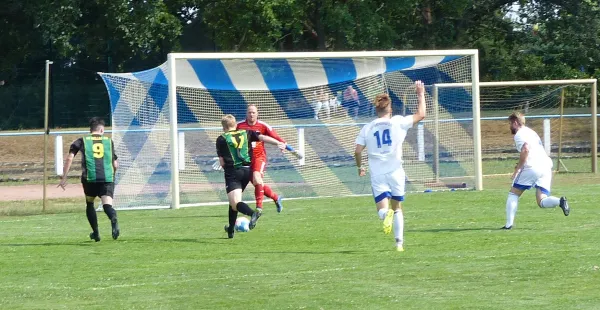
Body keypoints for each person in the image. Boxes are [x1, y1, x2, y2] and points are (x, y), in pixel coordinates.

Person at [354, 81, 426, 252]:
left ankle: (385, 215)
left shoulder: (367, 128)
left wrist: (360, 167)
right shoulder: (398, 122)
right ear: (390, 110)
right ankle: (399, 245)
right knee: (398, 208)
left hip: (378, 174)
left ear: (376, 110)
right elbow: (421, 114)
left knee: (383, 210)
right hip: (396, 172)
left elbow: (357, 151)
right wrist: (420, 94)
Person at [218, 114, 287, 238]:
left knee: (235, 202)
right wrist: (278, 143)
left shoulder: (221, 139)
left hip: (233, 172)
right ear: (235, 124)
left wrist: (227, 170)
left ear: (224, 127)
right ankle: (231, 230)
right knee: (233, 201)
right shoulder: (246, 133)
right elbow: (263, 137)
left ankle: (252, 214)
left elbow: (222, 162)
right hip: (247, 171)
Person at [503, 112, 570, 229]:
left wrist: (518, 169)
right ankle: (560, 201)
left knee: (513, 193)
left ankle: (508, 225)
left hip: (533, 167)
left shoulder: (519, 134)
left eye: (510, 123)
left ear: (515, 122)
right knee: (542, 200)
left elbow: (526, 150)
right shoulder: (531, 132)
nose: (510, 126)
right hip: (546, 166)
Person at [58, 117, 120, 242]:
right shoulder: (108, 141)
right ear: (102, 129)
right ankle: (113, 218)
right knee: (107, 205)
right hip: (107, 178)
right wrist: (112, 176)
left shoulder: (82, 141)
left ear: (90, 129)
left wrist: (64, 177)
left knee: (90, 204)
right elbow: (115, 164)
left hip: (90, 178)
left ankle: (96, 233)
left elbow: (70, 158)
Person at [236, 104, 286, 213]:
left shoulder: (263, 125)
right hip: (245, 160)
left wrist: (282, 144)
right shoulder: (239, 126)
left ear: (257, 114)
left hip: (259, 158)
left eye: (253, 112)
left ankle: (259, 208)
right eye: (249, 112)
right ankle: (276, 198)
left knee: (257, 178)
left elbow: (276, 136)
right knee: (257, 183)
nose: (251, 114)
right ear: (246, 113)